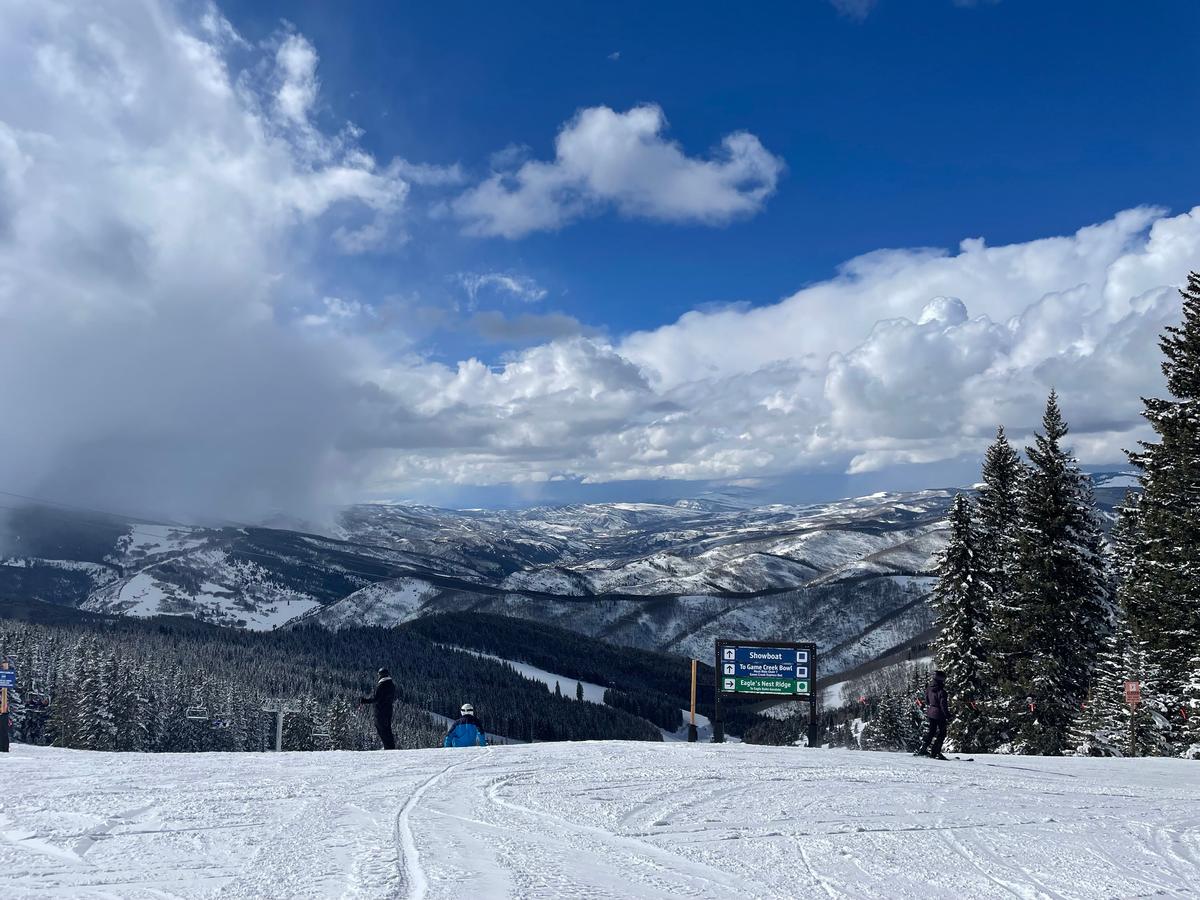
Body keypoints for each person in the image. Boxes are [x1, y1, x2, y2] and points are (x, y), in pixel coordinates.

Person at [913, 670, 950, 760]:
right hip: (939, 714)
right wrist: (948, 715)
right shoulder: (942, 691)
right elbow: (943, 705)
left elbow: (927, 701)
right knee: (942, 733)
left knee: (931, 732)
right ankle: (935, 752)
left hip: (931, 712)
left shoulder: (929, 688)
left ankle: (923, 749)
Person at [359, 667, 396, 750]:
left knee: (381, 728)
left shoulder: (382, 685)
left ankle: (388, 748)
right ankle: (390, 747)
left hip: (381, 710)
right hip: (388, 709)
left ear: (381, 675)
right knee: (387, 729)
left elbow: (376, 699)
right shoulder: (391, 684)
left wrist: (364, 701)